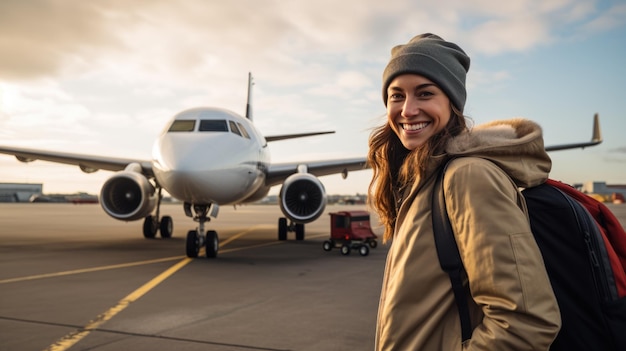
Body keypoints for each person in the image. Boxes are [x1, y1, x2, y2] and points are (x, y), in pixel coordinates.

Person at [368, 33, 562, 350]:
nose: (407, 110)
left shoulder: (467, 178)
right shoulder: (422, 180)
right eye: (396, 96)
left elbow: (525, 322)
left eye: (424, 93)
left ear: (452, 102)